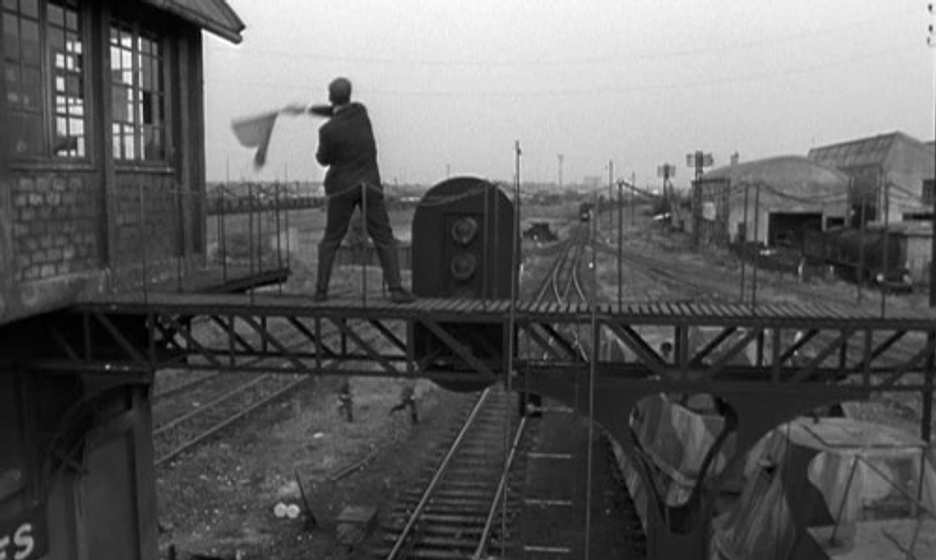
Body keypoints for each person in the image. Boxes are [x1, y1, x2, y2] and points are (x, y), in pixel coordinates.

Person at [285, 77, 414, 303]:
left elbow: (323, 159)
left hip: (341, 188)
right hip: (369, 186)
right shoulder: (361, 113)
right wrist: (308, 110)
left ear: (330, 97)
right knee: (384, 236)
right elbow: (338, 111)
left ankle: (321, 291)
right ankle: (395, 290)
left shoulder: (328, 130)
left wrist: (305, 111)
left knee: (332, 238)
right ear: (349, 95)